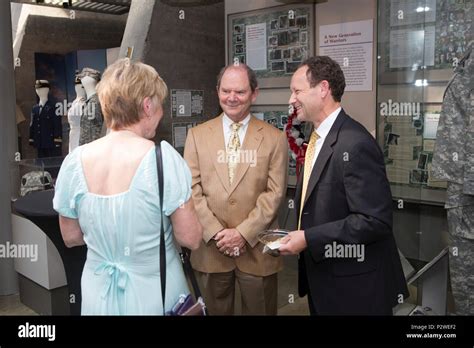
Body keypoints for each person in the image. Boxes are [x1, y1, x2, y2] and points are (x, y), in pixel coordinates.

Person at [53, 58, 202, 315]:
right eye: (159, 105)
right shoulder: (163, 158)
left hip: (97, 292)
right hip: (156, 292)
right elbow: (191, 237)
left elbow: (71, 237)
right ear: (147, 105)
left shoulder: (74, 162)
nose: (161, 113)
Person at [279, 56, 408, 315]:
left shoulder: (355, 143)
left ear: (323, 89)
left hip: (355, 287)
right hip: (324, 279)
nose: (291, 99)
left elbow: (375, 221)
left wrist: (308, 238)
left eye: (297, 91)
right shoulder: (317, 139)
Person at [184, 63, 288, 315]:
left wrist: (242, 234)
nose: (232, 98)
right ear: (217, 91)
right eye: (225, 90)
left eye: (240, 92)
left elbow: (274, 195)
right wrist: (218, 233)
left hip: (257, 251)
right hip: (211, 251)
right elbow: (191, 189)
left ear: (254, 94)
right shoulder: (196, 135)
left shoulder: (275, 138)